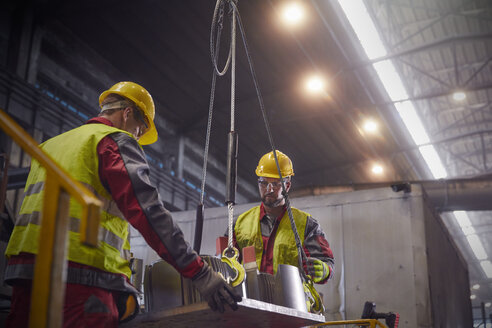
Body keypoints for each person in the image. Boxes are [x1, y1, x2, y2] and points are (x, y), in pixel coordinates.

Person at [4, 81, 241, 327]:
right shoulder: (113, 141)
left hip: (25, 273)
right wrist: (200, 272)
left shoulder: (49, 146)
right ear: (127, 113)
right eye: (139, 130)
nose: (136, 137)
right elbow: (149, 213)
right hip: (82, 277)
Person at [227, 150, 334, 284]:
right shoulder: (239, 224)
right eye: (264, 183)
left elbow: (327, 262)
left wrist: (325, 270)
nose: (269, 189)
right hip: (251, 300)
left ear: (287, 186)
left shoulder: (307, 225)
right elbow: (226, 262)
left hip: (291, 300)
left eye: (276, 184)